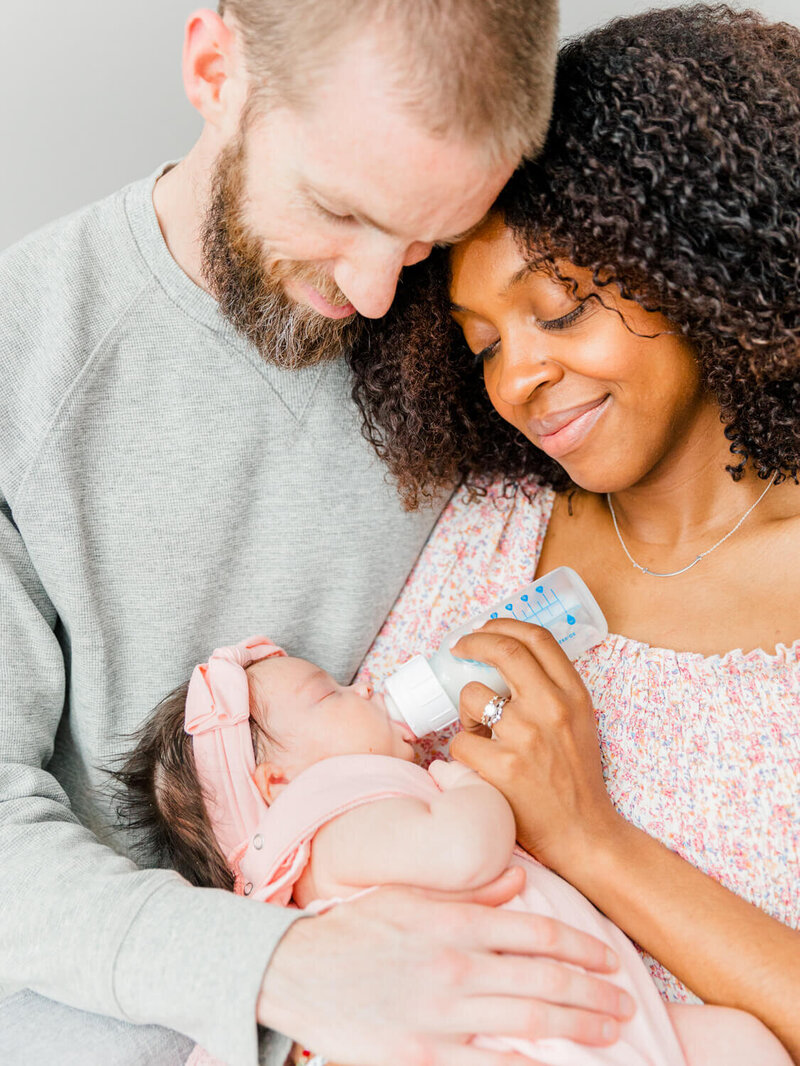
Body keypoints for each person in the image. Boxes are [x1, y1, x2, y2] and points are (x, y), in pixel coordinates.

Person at [0, 3, 641, 1065]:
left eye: (425, 239)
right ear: (214, 68)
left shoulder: (493, 330)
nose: (376, 291)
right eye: (338, 211)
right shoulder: (26, 357)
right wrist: (283, 965)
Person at [350, 4, 800, 1060]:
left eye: (557, 311)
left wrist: (587, 836)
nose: (518, 380)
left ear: (702, 261)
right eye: (479, 344)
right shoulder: (491, 527)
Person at [115, 634, 790, 1066]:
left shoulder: (367, 810)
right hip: (522, 1037)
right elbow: (467, 852)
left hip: (603, 1016)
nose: (366, 686)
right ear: (281, 786)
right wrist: (465, 782)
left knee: (741, 1044)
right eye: (332, 692)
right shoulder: (332, 828)